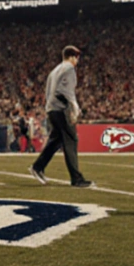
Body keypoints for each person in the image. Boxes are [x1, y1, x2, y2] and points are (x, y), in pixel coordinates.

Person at [29, 46, 92, 188]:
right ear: (72, 57)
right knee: (71, 140)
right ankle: (76, 179)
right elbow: (64, 90)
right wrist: (74, 106)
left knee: (56, 140)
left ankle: (38, 167)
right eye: (77, 57)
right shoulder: (69, 69)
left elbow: (48, 92)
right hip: (61, 109)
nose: (77, 61)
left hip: (52, 109)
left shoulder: (54, 71)